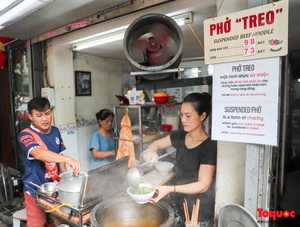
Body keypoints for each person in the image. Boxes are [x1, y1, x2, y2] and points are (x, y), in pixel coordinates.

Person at [143, 92, 217, 227]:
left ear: (202, 116)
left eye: (188, 116)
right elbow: (157, 144)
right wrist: (150, 153)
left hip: (199, 211)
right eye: (181, 115)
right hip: (180, 204)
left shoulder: (209, 146)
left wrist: (170, 188)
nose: (183, 120)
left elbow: (203, 185)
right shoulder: (181, 136)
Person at [18, 97, 81, 227]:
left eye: (47, 113)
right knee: (38, 224)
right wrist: (68, 159)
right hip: (34, 190)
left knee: (61, 220)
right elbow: (38, 153)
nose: (45, 119)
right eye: (39, 115)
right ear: (30, 117)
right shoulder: (25, 135)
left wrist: (65, 179)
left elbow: (59, 155)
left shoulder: (55, 131)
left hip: (55, 188)